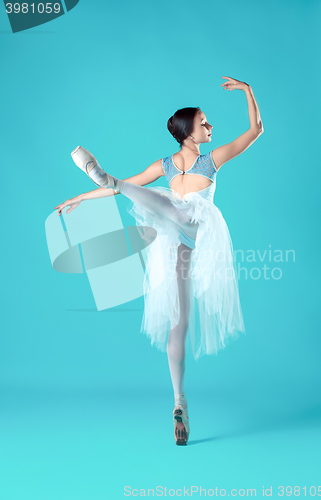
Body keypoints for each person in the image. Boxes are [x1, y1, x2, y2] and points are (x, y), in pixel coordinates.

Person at [55, 76, 264, 446]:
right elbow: (129, 185)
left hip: (197, 228)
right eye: (204, 123)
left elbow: (255, 130)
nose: (210, 127)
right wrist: (82, 198)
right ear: (188, 132)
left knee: (170, 203)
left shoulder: (211, 160)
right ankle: (179, 400)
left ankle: (108, 177)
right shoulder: (167, 164)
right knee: (178, 323)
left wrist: (248, 90)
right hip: (175, 241)